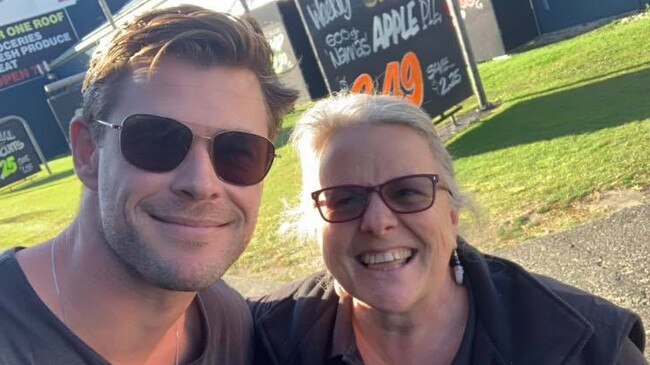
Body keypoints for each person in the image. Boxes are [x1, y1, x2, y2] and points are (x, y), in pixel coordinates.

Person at [249, 94, 646, 364]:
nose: (378, 222)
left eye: (407, 192)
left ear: (452, 209)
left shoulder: (585, 345)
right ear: (314, 221)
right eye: (345, 199)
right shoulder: (265, 342)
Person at [0, 5, 298, 364]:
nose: (202, 184)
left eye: (239, 152)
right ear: (88, 152)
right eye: (157, 140)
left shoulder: (230, 325)